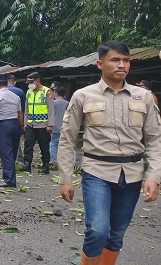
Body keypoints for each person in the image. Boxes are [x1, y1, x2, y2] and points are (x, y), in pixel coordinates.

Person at [58, 41, 160, 264]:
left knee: (116, 235)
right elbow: (67, 139)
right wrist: (66, 178)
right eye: (115, 60)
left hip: (132, 174)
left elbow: (155, 139)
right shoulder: (83, 96)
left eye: (126, 60)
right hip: (97, 171)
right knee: (97, 229)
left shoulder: (143, 98)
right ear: (99, 63)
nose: (122, 65)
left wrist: (154, 176)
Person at [0, 74, 23, 187]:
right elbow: (20, 112)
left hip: (3, 125)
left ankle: (9, 180)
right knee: (13, 152)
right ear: (7, 84)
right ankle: (9, 177)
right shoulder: (15, 96)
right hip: (15, 124)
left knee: (6, 153)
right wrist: (20, 125)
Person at [23, 71, 55, 173]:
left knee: (44, 145)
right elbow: (26, 109)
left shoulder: (47, 91)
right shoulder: (29, 92)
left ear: (37, 81)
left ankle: (45, 166)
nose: (29, 85)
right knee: (28, 144)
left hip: (42, 125)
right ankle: (27, 165)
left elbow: (51, 109)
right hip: (30, 124)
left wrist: (50, 124)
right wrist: (24, 122)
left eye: (31, 83)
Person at [49, 87, 68, 166]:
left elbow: (49, 114)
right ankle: (69, 161)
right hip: (65, 126)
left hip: (55, 126)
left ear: (56, 93)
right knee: (67, 144)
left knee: (53, 144)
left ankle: (55, 160)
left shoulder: (53, 103)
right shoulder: (68, 103)